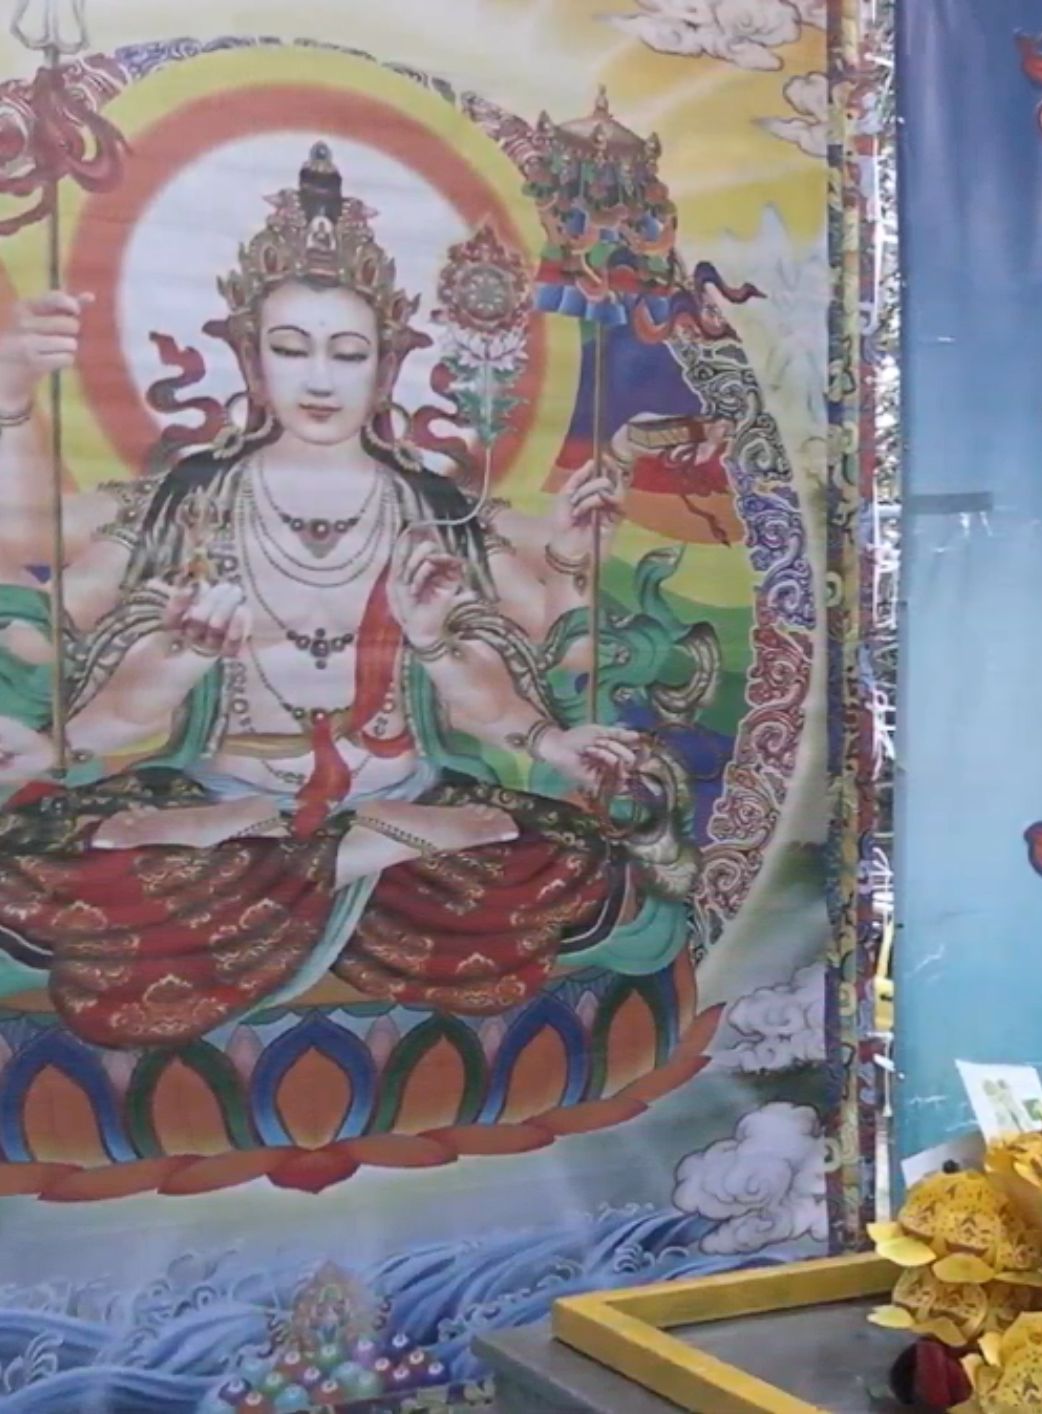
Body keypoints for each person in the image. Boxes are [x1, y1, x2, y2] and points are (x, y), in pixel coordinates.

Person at [0, 143, 698, 1049]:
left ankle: (328, 854)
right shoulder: (186, 503)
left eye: (348, 352)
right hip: (221, 797)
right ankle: (335, 853)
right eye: (291, 350)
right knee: (34, 870)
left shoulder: (435, 509)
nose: (321, 379)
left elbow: (525, 642)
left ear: (385, 367)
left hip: (399, 798)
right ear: (252, 361)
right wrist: (13, 401)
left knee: (576, 861)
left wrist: (562, 589)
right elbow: (37, 555)